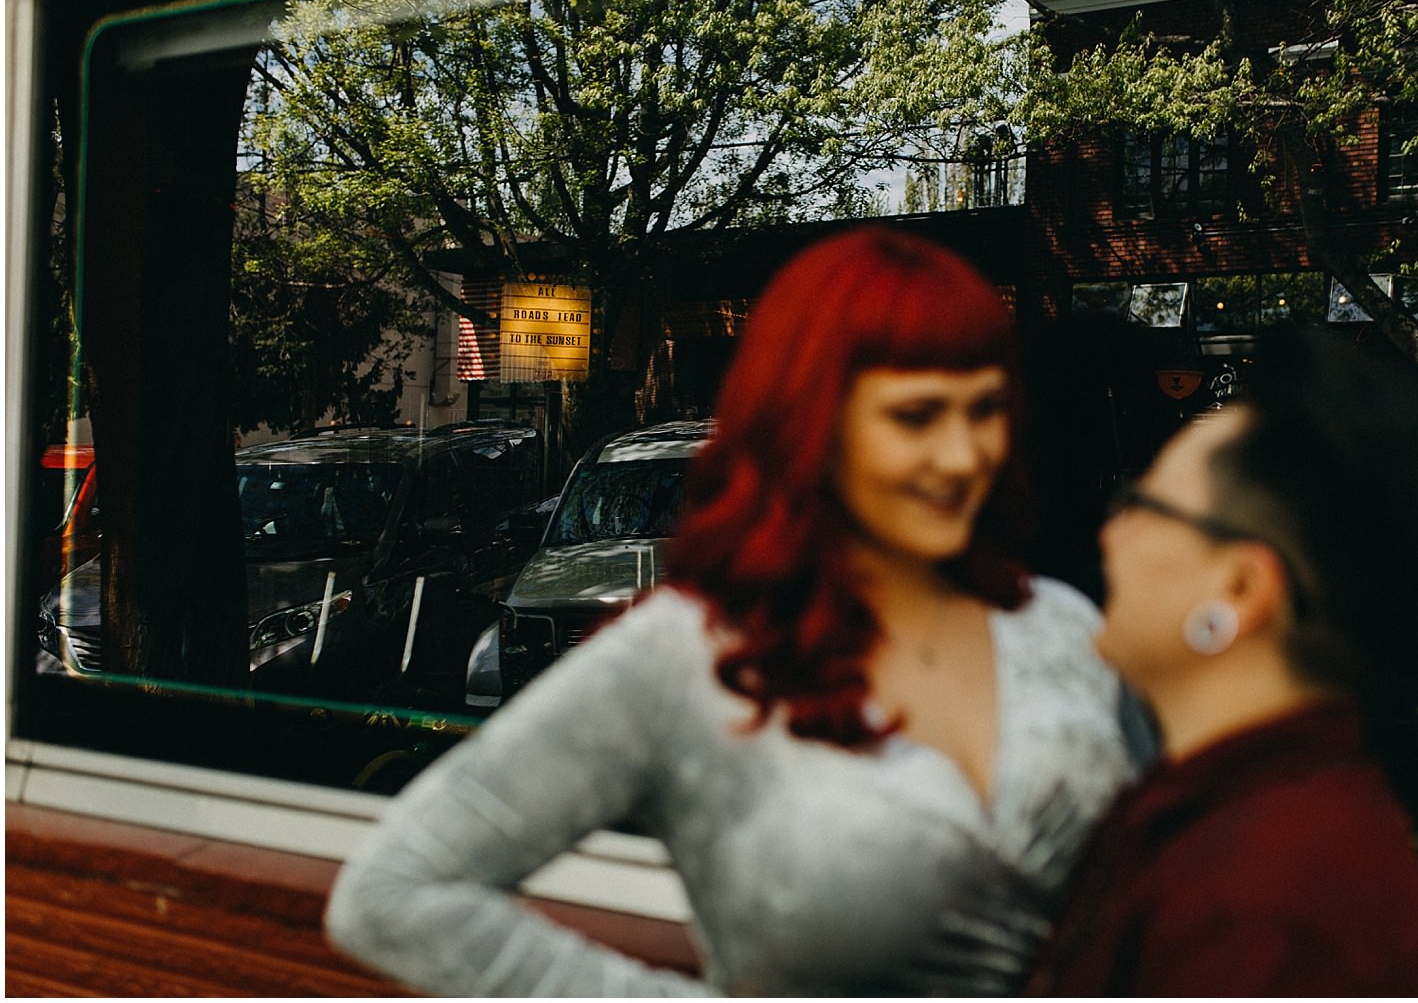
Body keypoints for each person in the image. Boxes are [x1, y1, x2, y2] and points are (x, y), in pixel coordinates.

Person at [324, 226, 1143, 996]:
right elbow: (395, 891)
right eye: (916, 416)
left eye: (985, 410)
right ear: (809, 426)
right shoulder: (685, 654)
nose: (965, 455)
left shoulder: (1058, 625)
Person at [1025, 331, 1418, 997]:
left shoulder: (1259, 907)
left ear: (1240, 589)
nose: (1110, 534)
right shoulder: (1247, 822)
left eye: (1142, 505)